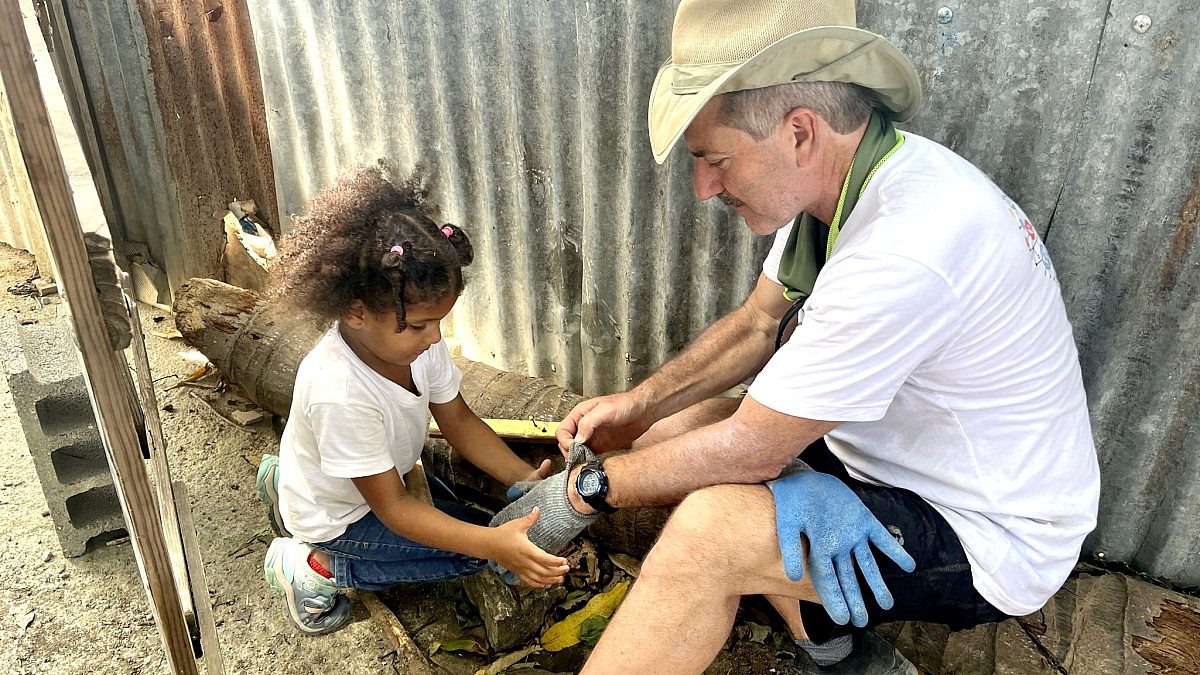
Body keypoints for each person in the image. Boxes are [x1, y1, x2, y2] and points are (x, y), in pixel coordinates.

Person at [495, 0, 1101, 672]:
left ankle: (814, 617)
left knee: (709, 533)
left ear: (799, 133)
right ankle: (830, 640)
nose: (702, 188)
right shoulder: (842, 179)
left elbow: (752, 448)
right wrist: (640, 404)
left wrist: (585, 492)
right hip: (897, 457)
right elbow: (759, 323)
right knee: (685, 428)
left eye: (713, 159)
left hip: (989, 528)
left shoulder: (906, 249)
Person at [255, 165, 568, 636]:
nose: (435, 336)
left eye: (439, 321)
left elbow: (459, 421)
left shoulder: (413, 343)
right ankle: (309, 564)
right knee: (473, 555)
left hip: (379, 484)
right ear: (354, 311)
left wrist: (522, 476)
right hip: (346, 520)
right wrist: (492, 545)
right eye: (420, 325)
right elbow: (396, 511)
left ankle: (286, 482)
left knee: (478, 529)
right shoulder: (339, 392)